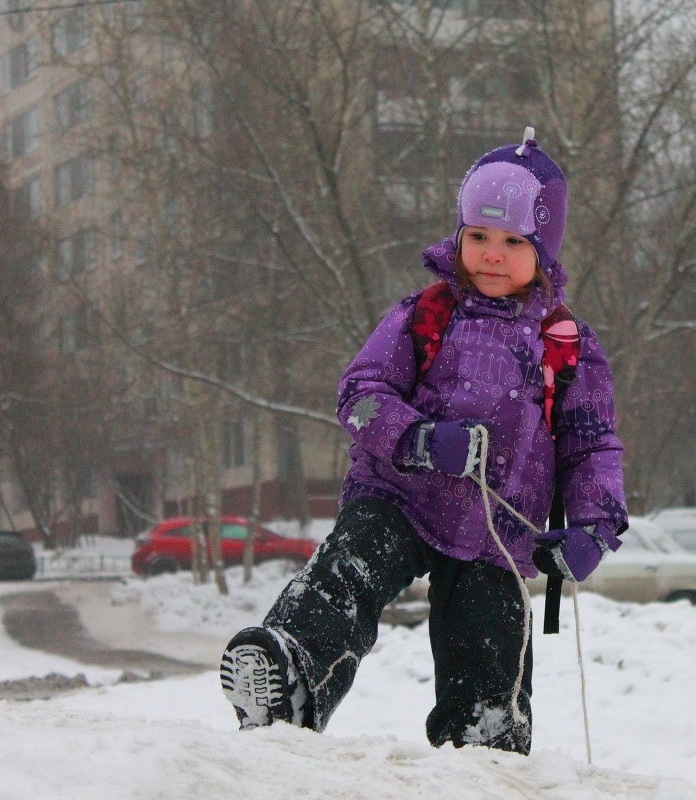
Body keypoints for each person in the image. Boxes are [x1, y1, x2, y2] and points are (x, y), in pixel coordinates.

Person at [219, 128, 627, 755]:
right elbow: (359, 394)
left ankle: (484, 745)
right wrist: (417, 438)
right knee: (348, 573)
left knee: (488, 650)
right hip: (400, 498)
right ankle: (291, 674)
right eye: (479, 237)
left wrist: (595, 527)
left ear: (543, 251)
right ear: (459, 237)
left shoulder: (565, 345)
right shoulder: (424, 316)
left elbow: (592, 443)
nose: (493, 253)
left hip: (499, 533)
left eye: (514, 241)